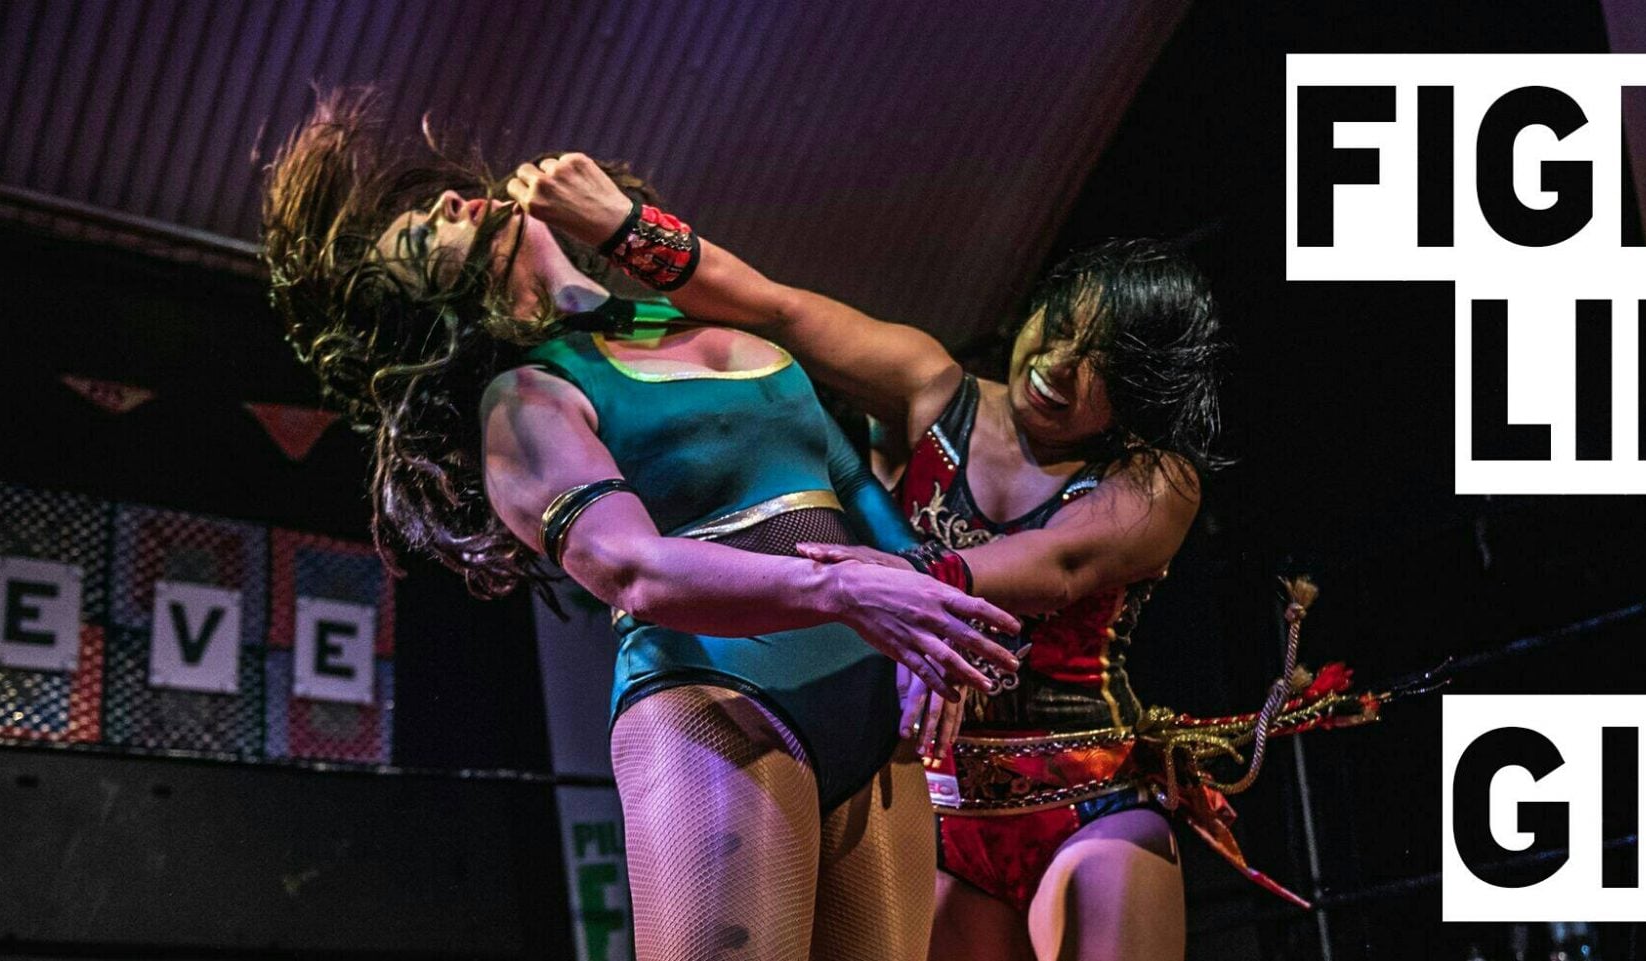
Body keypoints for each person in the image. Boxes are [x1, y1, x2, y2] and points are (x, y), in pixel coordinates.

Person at [259, 91, 1023, 961]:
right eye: (423, 238)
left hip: (871, 703)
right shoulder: (523, 400)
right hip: (723, 701)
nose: (444, 204)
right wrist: (847, 589)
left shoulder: (686, 314)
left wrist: (929, 602)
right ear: (437, 309)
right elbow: (633, 568)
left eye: (432, 205)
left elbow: (846, 476)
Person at [503, 149, 1268, 961]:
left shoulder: (1155, 481)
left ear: (1144, 392)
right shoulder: (930, 384)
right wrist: (624, 228)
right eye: (1059, 326)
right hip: (929, 788)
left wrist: (892, 583)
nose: (1057, 366)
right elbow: (775, 308)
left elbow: (1057, 567)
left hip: (1086, 796)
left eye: (1100, 367)